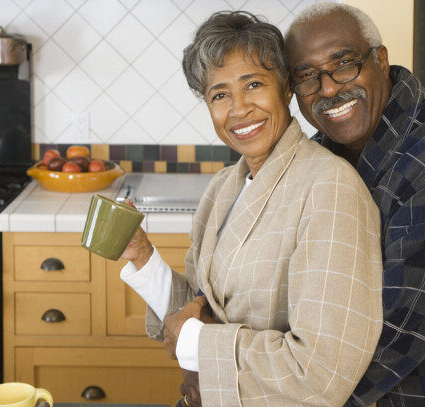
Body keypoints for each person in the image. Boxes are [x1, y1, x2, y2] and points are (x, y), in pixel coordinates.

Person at [120, 10, 383, 407]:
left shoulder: (329, 187)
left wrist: (194, 343)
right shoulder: (222, 188)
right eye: (220, 94)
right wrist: (143, 259)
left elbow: (322, 373)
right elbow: (199, 308)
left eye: (254, 84)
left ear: (287, 90)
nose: (239, 109)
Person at [284, 3, 425, 406]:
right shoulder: (321, 157)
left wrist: (257, 383)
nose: (328, 88)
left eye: (343, 63)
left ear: (380, 60)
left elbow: (395, 332)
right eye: (306, 76)